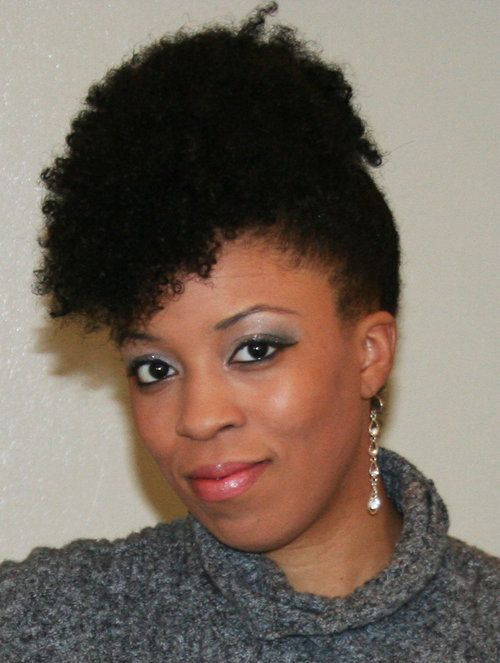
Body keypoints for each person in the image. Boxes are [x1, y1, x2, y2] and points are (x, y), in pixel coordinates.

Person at [1, 3, 498, 661]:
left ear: (369, 353)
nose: (199, 417)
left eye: (255, 349)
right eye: (155, 368)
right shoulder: (49, 626)